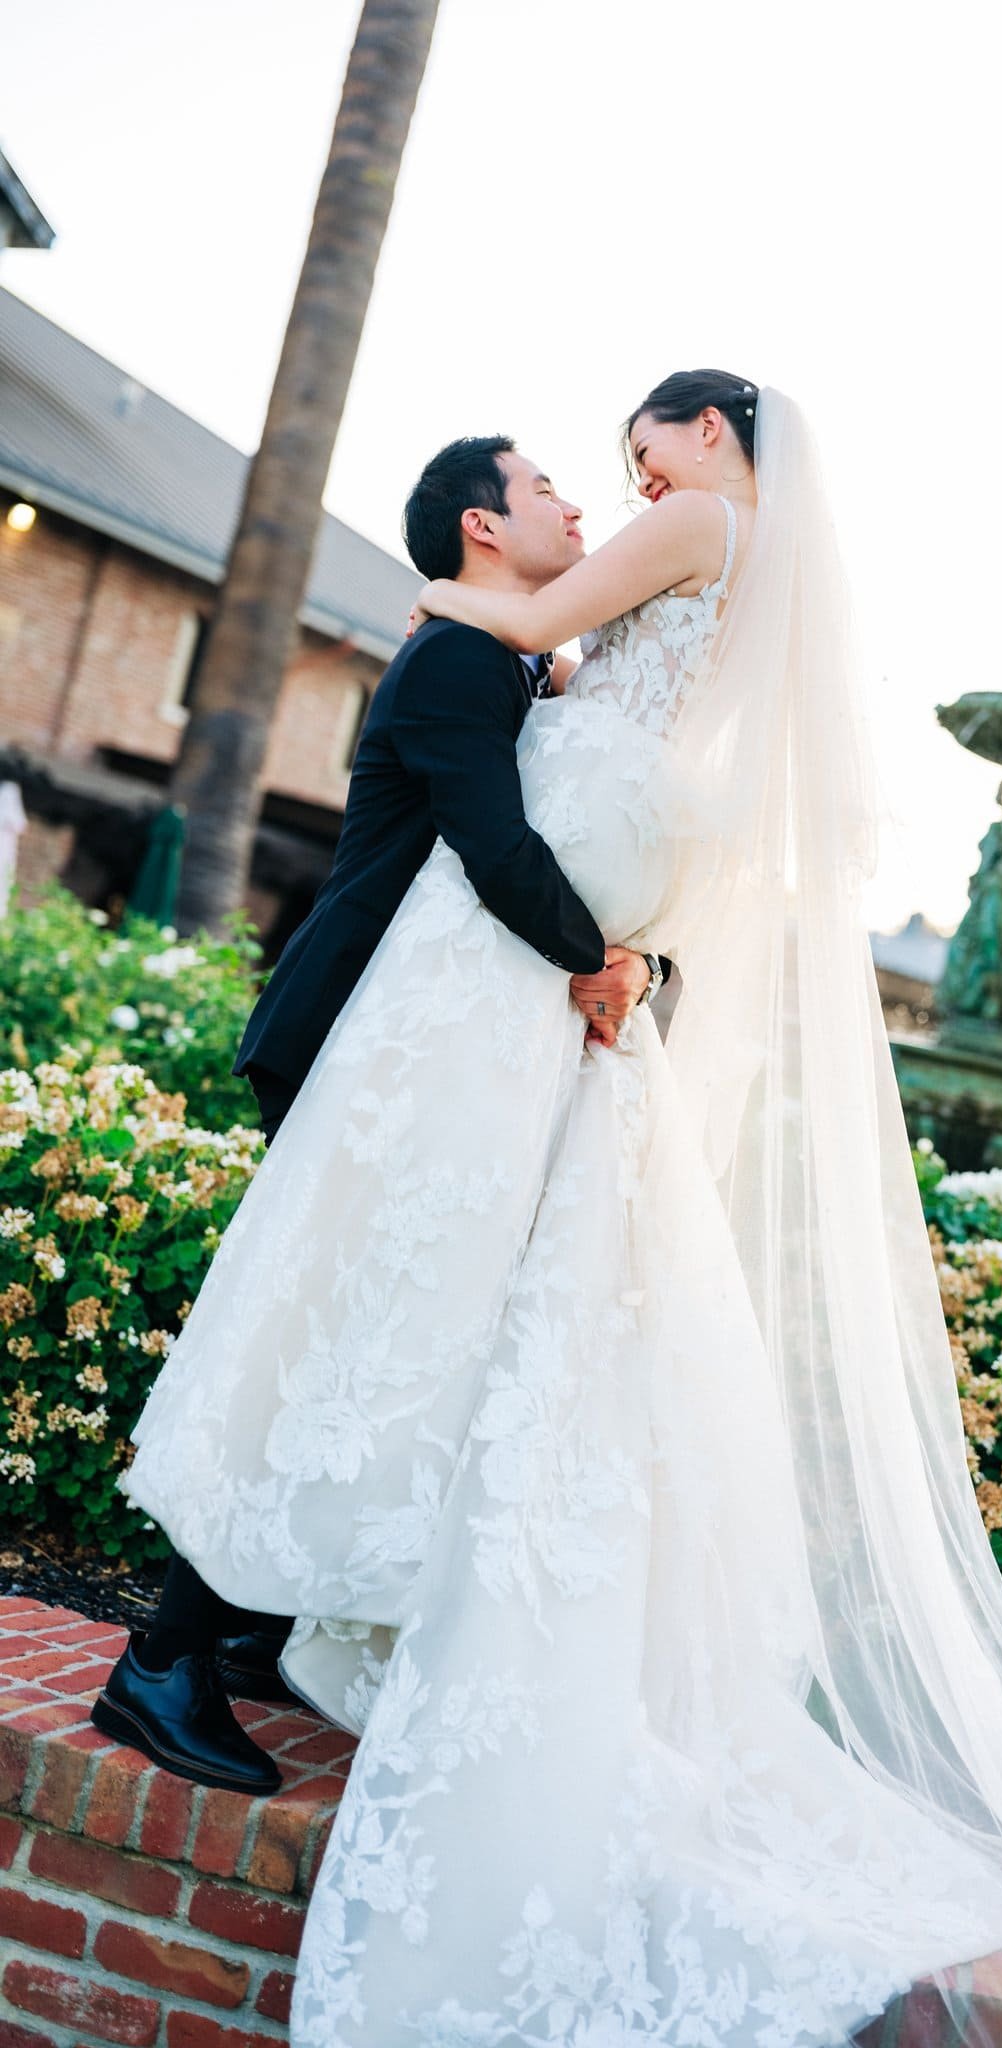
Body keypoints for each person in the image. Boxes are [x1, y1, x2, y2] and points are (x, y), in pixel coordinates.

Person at [105, 374, 1002, 2048]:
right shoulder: (704, 601)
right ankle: (199, 1642)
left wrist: (465, 611)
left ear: (714, 436)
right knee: (396, 1321)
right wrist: (595, 926)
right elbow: (542, 750)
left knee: (420, 1331)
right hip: (488, 1002)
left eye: (641, 453)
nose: (624, 488)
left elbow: (550, 636)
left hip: (525, 1008)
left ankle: (235, 1633)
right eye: (595, 474)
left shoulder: (693, 534)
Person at [92, 436, 662, 1795]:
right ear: (481, 525)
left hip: (414, 1047)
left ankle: (237, 1634)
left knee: (367, 1325)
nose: (575, 503)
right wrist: (599, 965)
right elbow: (490, 839)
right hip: (354, 1031)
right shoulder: (463, 660)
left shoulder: (503, 650)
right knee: (326, 1329)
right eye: (544, 491)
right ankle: (161, 1661)